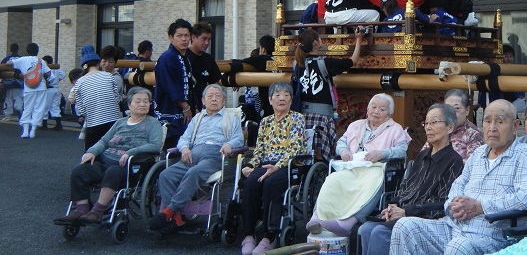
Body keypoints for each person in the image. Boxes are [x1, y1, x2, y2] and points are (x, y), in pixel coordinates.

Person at [389, 100, 527, 255]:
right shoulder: (479, 153)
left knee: (457, 247)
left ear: (515, 126)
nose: (492, 128)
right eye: (487, 121)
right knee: (405, 226)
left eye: (500, 122)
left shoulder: (525, 154)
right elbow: (458, 184)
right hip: (454, 226)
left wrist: (480, 206)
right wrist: (453, 205)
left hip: (492, 234)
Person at [358, 104, 464, 255]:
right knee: (366, 229)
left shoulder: (454, 161)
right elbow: (406, 187)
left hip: (422, 219)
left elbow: (442, 202)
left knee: (378, 233)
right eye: (426, 123)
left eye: (434, 122)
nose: (428, 127)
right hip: (403, 212)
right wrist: (392, 207)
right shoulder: (422, 156)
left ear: (450, 127)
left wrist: (406, 212)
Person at [307, 93, 412, 237]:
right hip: (352, 166)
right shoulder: (356, 125)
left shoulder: (395, 129)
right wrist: (343, 151)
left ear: (389, 114)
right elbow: (342, 142)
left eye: (382, 109)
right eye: (373, 107)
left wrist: (383, 153)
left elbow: (402, 150)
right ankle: (317, 217)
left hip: (376, 168)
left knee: (371, 183)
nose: (376, 111)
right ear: (367, 110)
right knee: (332, 180)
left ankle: (347, 223)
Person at [54, 87, 163, 224]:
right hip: (107, 160)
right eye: (138, 101)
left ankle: (97, 212)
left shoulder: (152, 123)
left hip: (131, 165)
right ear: (129, 105)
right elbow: (104, 141)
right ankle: (81, 210)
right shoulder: (120, 122)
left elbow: (155, 145)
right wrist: (91, 152)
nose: (143, 104)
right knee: (79, 170)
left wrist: (131, 152)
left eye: (146, 102)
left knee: (113, 172)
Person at [149, 84, 243, 235]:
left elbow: (239, 139)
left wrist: (229, 144)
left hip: (214, 155)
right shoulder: (197, 118)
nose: (214, 99)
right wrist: (185, 148)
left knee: (194, 172)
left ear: (224, 101)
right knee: (165, 175)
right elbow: (184, 139)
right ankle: (178, 219)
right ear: (203, 101)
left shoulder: (231, 118)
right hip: (192, 155)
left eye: (218, 96)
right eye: (210, 96)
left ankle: (169, 211)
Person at [239, 81, 306, 255]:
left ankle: (270, 235)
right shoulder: (265, 122)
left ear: (291, 100)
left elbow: (296, 148)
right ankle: (248, 234)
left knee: (271, 184)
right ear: (270, 100)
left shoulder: (297, 118)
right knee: (250, 182)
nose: (281, 98)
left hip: (288, 165)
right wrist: (250, 166)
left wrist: (276, 166)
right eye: (277, 95)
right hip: (265, 163)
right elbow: (259, 149)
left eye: (286, 95)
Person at [291, 27, 364, 161]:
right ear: (315, 43)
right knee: (324, 156)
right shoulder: (324, 63)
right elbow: (352, 61)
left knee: (306, 153)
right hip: (322, 117)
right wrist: (358, 39)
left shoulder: (297, 64)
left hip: (302, 117)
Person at [154, 18, 195, 149]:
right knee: (172, 148)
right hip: (170, 112)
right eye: (179, 36)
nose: (184, 39)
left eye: (186, 35)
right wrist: (185, 107)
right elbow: (170, 86)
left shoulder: (184, 56)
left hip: (183, 112)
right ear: (171, 38)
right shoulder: (168, 57)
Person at [75, 45, 122, 150]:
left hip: (93, 124)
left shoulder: (79, 82)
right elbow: (117, 100)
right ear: (98, 62)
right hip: (113, 122)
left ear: (84, 65)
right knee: (112, 152)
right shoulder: (109, 76)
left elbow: (81, 110)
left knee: (91, 154)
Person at [424, 89, 483, 161]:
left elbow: (471, 165)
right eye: (448, 109)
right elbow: (423, 158)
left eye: (457, 108)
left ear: (467, 110)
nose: (452, 113)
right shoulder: (439, 130)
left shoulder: (473, 134)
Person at [9, 42, 52, 139]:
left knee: (27, 108)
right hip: (41, 87)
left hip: (29, 87)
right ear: (37, 51)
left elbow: (9, 63)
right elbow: (49, 73)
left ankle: (25, 131)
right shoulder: (41, 61)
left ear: (27, 51)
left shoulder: (22, 59)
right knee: (39, 108)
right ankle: (33, 131)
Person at [233, 34, 277, 119]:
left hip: (268, 102)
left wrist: (234, 78)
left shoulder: (261, 59)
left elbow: (240, 62)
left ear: (263, 49)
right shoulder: (280, 61)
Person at [478, 44, 526, 114]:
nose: (509, 59)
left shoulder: (515, 73)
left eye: (511, 56)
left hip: (510, 110)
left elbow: (520, 96)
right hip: (493, 110)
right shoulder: (491, 73)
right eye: (506, 56)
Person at [187, 22, 222, 113]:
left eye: (209, 40)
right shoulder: (184, 57)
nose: (207, 43)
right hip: (186, 108)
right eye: (204, 39)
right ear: (193, 37)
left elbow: (215, 84)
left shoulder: (208, 59)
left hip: (204, 108)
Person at [41, 55, 65, 131]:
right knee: (55, 107)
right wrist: (58, 80)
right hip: (56, 89)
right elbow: (63, 74)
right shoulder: (56, 69)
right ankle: (59, 124)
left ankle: (44, 125)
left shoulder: (46, 68)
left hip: (48, 89)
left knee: (45, 106)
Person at [1, 42, 22, 121]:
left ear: (10, 49)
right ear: (18, 49)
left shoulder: (6, 59)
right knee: (18, 98)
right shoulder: (21, 58)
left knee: (7, 99)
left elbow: (1, 71)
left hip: (8, 83)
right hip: (19, 83)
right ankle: (20, 112)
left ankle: (8, 116)